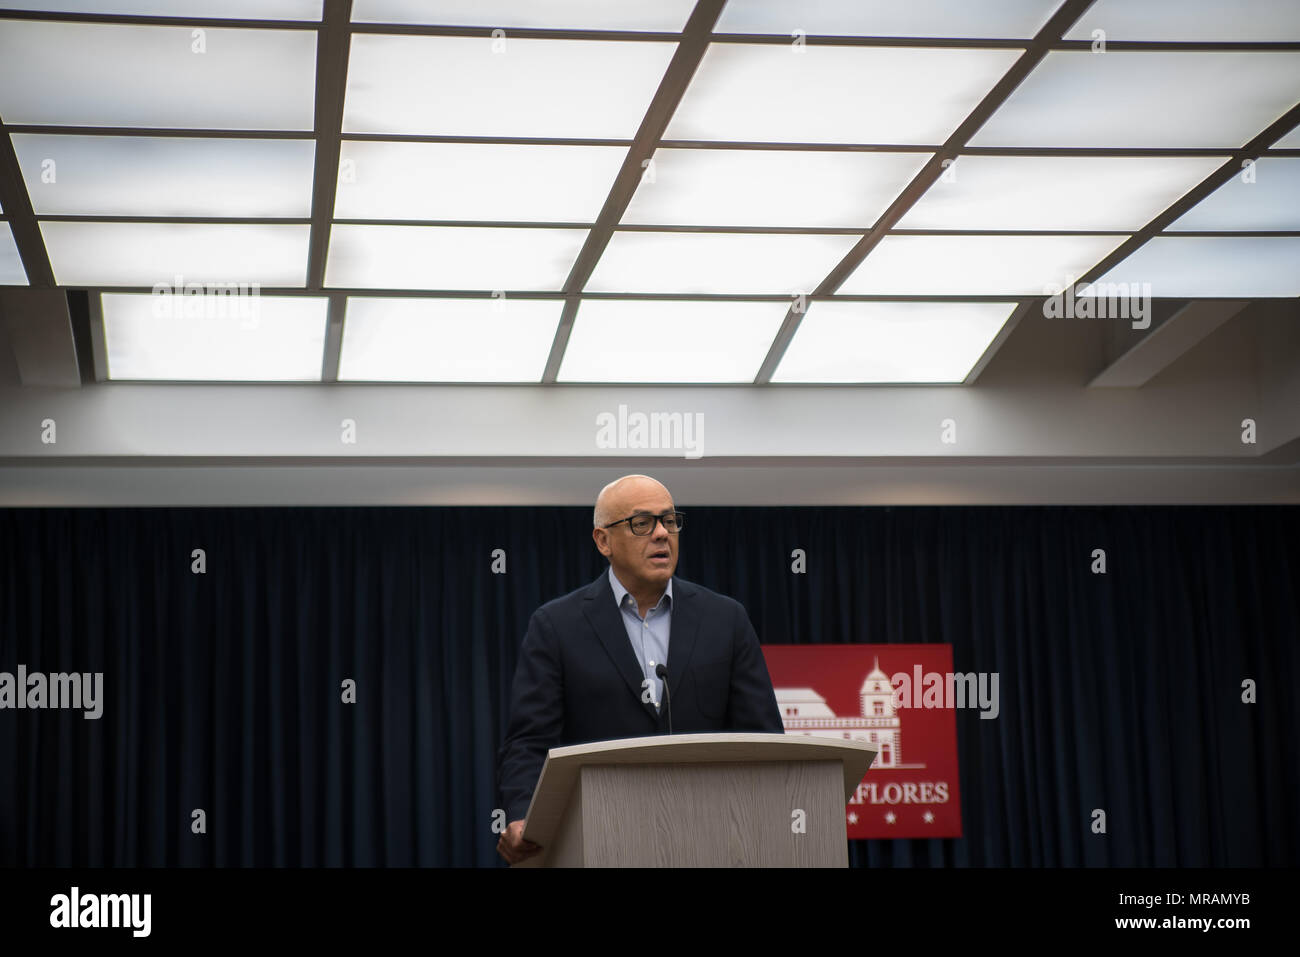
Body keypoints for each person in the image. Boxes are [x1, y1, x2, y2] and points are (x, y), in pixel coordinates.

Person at [495, 474, 783, 864]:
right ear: (603, 541)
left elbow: (762, 738)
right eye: (642, 523)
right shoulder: (556, 625)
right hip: (597, 838)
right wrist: (523, 815)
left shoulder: (725, 619)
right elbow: (528, 743)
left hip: (712, 840)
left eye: (670, 520)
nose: (662, 533)